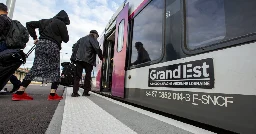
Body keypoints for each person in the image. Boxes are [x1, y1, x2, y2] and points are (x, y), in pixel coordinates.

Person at [12, 10, 70, 101]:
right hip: (53, 46)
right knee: (55, 69)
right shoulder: (61, 24)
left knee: (36, 67)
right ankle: (52, 94)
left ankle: (20, 92)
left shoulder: (44, 21)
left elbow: (29, 24)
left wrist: (35, 38)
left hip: (41, 45)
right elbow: (66, 39)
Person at [71, 30, 103, 97]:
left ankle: (74, 92)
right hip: (89, 60)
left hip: (78, 60)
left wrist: (74, 58)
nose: (96, 38)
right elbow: (97, 48)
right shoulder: (92, 39)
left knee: (77, 76)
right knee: (88, 76)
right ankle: (85, 92)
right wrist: (102, 58)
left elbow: (74, 47)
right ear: (95, 34)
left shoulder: (81, 39)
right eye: (97, 37)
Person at [0, 3, 21, 93]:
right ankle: (16, 83)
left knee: (2, 66)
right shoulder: (10, 21)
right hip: (8, 45)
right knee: (4, 67)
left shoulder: (1, 18)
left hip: (2, 44)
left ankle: (16, 83)